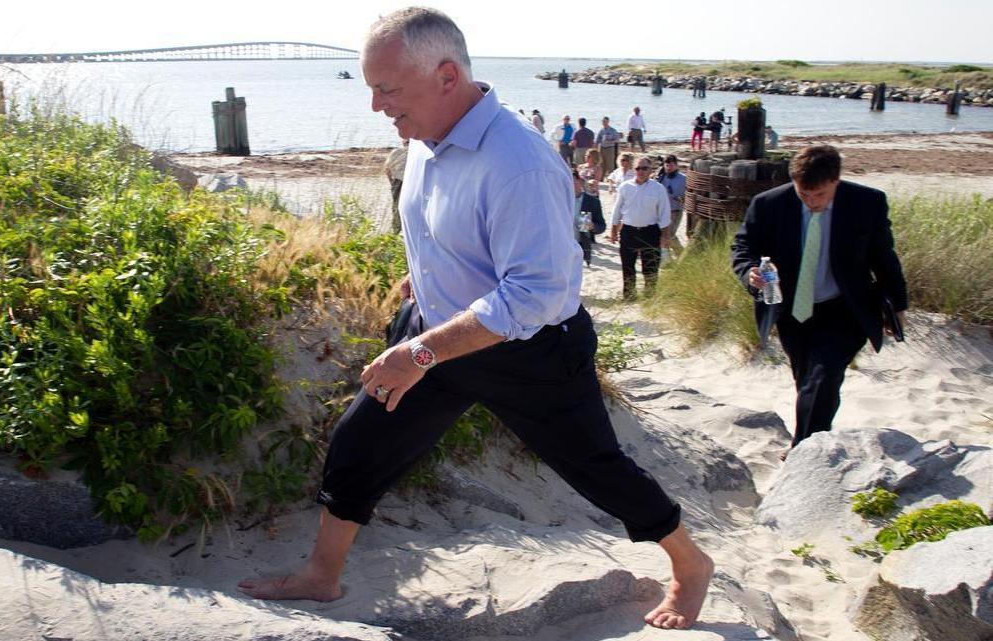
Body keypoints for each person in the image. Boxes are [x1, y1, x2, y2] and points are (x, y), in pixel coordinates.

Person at [237, 7, 713, 631]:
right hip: (436, 330)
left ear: (445, 75)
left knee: (594, 467)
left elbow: (534, 293)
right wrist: (423, 276)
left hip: (529, 352)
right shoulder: (423, 140)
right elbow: (440, 229)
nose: (378, 106)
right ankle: (322, 576)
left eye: (388, 89)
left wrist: (420, 354)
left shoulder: (520, 161)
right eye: (372, 89)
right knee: (359, 444)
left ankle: (689, 562)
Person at [730, 144, 908, 456]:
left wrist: (899, 305)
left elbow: (884, 258)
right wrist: (749, 274)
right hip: (791, 311)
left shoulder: (868, 203)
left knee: (825, 376)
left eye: (820, 195)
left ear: (835, 181)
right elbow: (742, 247)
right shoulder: (769, 204)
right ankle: (811, 438)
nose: (812, 202)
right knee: (807, 381)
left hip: (845, 308)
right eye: (804, 195)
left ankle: (804, 451)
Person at [608, 156, 671, 300]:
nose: (641, 171)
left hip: (650, 231)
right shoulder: (625, 187)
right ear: (633, 170)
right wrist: (613, 230)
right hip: (629, 231)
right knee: (628, 266)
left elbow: (664, 213)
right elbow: (617, 210)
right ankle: (629, 296)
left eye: (644, 168)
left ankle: (649, 297)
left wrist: (666, 235)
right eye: (638, 168)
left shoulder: (658, 189)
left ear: (650, 170)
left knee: (650, 267)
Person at [573, 170, 606, 267]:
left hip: (581, 246)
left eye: (572, 181)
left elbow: (602, 226)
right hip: (562, 246)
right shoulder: (558, 200)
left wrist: (592, 226)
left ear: (579, 181)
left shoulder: (592, 202)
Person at [656, 155, 688, 253]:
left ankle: (681, 253)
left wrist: (679, 198)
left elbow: (689, 195)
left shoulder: (683, 179)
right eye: (667, 165)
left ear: (676, 165)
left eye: (671, 165)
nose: (669, 168)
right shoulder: (661, 177)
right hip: (662, 210)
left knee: (670, 234)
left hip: (676, 210)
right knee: (662, 233)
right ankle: (667, 255)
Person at [383, 138, 409, 233]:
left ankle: (396, 232)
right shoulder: (417, 154)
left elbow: (387, 169)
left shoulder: (396, 153)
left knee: (397, 209)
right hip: (403, 183)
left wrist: (392, 182)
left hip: (397, 183)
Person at [595, 116, 622, 181]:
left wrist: (610, 140)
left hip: (610, 148)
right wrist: (595, 148)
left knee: (610, 165)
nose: (604, 123)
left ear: (608, 122)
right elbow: (598, 140)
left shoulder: (612, 130)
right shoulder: (601, 130)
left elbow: (617, 139)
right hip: (602, 148)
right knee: (602, 165)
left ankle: (611, 180)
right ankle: (601, 179)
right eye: (603, 121)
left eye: (605, 121)